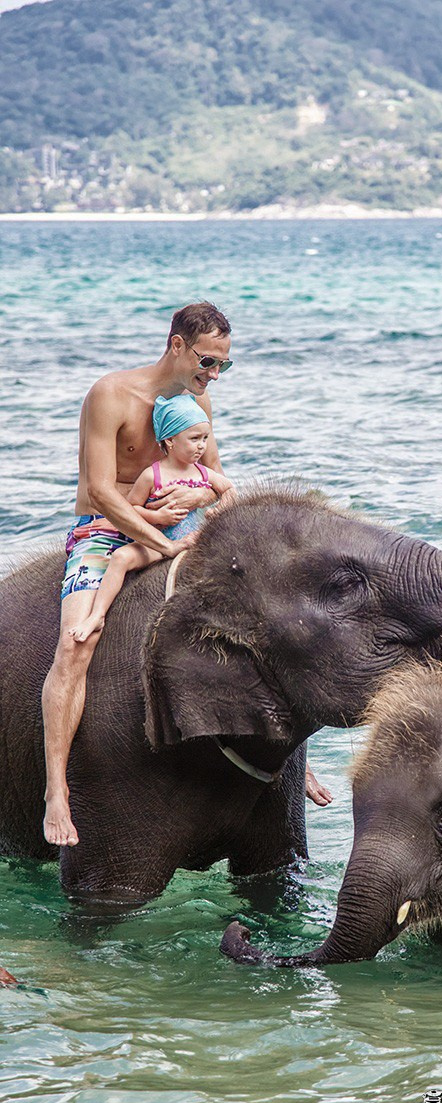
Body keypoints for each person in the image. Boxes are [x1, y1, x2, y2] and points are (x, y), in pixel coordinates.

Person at [42, 301, 233, 847]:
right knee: (76, 644)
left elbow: (214, 475)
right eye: (207, 361)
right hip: (105, 532)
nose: (212, 374)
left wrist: (202, 505)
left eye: (223, 366)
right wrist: (159, 541)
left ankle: (291, 764)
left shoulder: (198, 405)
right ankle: (56, 789)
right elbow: (100, 489)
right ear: (177, 344)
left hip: (178, 531)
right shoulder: (111, 394)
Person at [68, 395, 235, 644]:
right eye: (194, 439)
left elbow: (230, 490)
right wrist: (156, 516)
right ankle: (97, 615)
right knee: (122, 557)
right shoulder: (152, 475)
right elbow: (131, 507)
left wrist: (218, 508)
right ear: (170, 440)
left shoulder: (202, 472)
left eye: (205, 439)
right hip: (159, 543)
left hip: (194, 540)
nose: (202, 446)